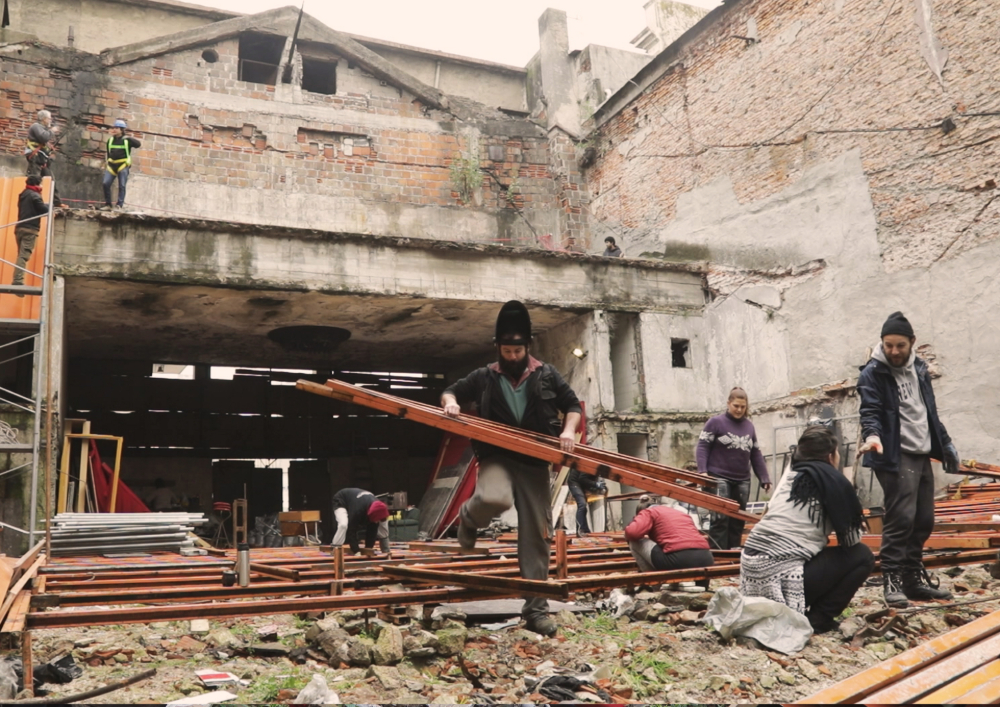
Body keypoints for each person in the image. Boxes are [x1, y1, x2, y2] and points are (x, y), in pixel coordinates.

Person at [442, 300, 582, 637]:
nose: (513, 356)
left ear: (527, 347)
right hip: (496, 457)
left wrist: (567, 430)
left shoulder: (547, 374)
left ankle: (536, 610)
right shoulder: (485, 376)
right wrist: (451, 404)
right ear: (498, 348)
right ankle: (469, 518)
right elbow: (451, 391)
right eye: (507, 350)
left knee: (536, 536)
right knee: (494, 498)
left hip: (534, 462)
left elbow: (572, 405)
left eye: (518, 350)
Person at [858, 311, 959, 607]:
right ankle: (891, 580)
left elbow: (928, 410)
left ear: (912, 343)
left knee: (924, 519)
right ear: (882, 343)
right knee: (901, 518)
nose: (894, 351)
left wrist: (946, 443)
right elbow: (870, 412)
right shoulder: (872, 373)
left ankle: (913, 580)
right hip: (892, 452)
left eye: (900, 345)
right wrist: (873, 437)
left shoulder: (920, 368)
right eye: (888, 345)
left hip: (922, 450)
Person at [740, 425, 874, 634]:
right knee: (862, 556)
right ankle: (817, 620)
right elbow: (851, 542)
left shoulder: (791, 479)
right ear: (830, 456)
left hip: (751, 578)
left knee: (818, 551)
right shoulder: (833, 483)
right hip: (780, 579)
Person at [696, 387, 772, 549]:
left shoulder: (749, 427)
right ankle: (719, 559)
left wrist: (764, 478)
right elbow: (702, 447)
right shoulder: (715, 422)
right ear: (728, 403)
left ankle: (733, 558)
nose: (739, 410)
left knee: (738, 519)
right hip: (718, 477)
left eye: (742, 407)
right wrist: (702, 471)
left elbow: (755, 453)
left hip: (742, 479)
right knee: (720, 518)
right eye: (736, 406)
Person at [626, 494, 714, 586]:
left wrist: (633, 523)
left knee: (634, 541)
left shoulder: (648, 512)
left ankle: (656, 585)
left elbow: (632, 533)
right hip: (706, 558)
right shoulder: (679, 512)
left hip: (679, 560)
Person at [12, 176, 50, 289]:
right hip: (30, 229)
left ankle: (17, 279)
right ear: (37, 184)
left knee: (21, 255)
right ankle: (17, 281)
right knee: (24, 256)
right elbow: (43, 210)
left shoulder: (23, 194)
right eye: (41, 184)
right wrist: (49, 205)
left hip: (19, 228)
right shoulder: (35, 195)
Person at [331, 487, 390, 554]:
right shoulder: (357, 511)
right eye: (377, 520)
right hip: (341, 499)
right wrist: (356, 551)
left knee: (375, 525)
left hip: (356, 501)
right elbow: (351, 531)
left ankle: (386, 550)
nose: (377, 522)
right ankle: (335, 547)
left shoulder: (378, 508)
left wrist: (368, 549)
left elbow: (372, 531)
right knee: (343, 524)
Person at [24, 110, 63, 208]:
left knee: (51, 180)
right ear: (43, 118)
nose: (50, 120)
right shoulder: (36, 126)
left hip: (42, 159)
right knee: (35, 180)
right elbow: (43, 137)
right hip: (35, 157)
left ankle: (57, 202)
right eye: (49, 118)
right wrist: (52, 131)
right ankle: (33, 203)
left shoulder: (43, 128)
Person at [102, 119, 141, 210]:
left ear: (122, 130)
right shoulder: (110, 140)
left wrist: (129, 138)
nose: (114, 129)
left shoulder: (127, 140)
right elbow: (108, 152)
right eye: (114, 127)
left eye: (117, 128)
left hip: (123, 165)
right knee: (105, 183)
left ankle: (119, 205)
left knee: (122, 185)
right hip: (112, 165)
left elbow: (138, 144)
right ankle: (108, 205)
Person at [567, 469, 605, 537]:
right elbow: (582, 479)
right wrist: (595, 484)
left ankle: (585, 529)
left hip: (580, 483)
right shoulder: (591, 464)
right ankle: (581, 529)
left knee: (584, 508)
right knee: (582, 505)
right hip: (574, 482)